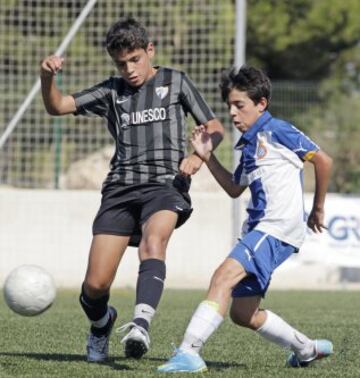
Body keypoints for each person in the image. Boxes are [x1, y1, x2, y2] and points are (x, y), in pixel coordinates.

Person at [40, 18, 224, 363]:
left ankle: (140, 324)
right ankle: (102, 323)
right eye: (121, 63)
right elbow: (58, 106)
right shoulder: (112, 90)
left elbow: (214, 127)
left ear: (149, 50)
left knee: (155, 242)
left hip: (165, 185)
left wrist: (200, 155)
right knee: (95, 286)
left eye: (135, 59)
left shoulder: (175, 81)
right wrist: (47, 76)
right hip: (120, 189)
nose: (129, 70)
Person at [158, 66, 333, 373]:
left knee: (222, 276)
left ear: (261, 104)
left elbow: (322, 160)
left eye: (240, 105)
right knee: (243, 313)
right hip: (260, 231)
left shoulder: (277, 130)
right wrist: (207, 156)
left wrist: (318, 208)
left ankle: (189, 352)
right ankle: (306, 348)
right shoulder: (248, 146)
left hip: (275, 228)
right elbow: (233, 188)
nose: (233, 113)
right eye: (229, 106)